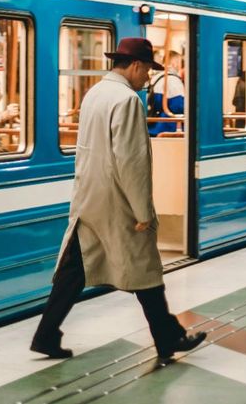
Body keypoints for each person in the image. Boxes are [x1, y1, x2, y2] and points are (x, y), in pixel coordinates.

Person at [30, 37, 206, 362]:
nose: (147, 79)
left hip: (89, 197)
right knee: (146, 271)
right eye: (147, 71)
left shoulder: (94, 93)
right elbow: (131, 161)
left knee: (74, 269)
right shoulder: (126, 100)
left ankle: (46, 334)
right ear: (136, 66)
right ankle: (168, 339)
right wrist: (143, 211)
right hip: (118, 202)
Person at [147, 50, 185, 136]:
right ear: (174, 63)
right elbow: (178, 106)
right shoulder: (173, 80)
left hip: (153, 127)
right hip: (168, 129)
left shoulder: (156, 78)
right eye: (180, 62)